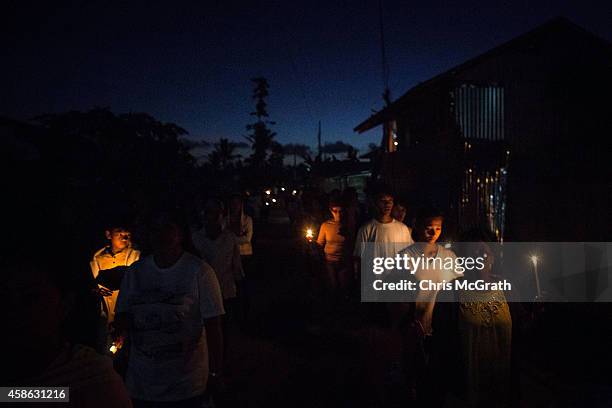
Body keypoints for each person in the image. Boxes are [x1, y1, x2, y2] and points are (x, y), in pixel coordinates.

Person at [115, 210, 225, 407]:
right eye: (155, 229)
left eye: (168, 228)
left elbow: (213, 326)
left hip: (186, 384)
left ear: (180, 234)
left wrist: (215, 372)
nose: (161, 235)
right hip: (142, 383)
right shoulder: (136, 272)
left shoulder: (199, 272)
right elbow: (124, 314)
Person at [1, 243, 132, 407]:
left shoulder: (90, 379)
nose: (13, 310)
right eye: (4, 297)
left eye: (30, 298)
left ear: (64, 305)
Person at [456, 229, 512, 407]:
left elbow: (523, 330)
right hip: (469, 386)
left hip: (501, 384)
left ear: (493, 257)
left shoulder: (507, 289)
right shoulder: (452, 292)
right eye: (472, 253)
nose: (479, 257)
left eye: (483, 252)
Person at [90, 223, 140, 352]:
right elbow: (92, 283)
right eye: (120, 233)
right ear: (109, 235)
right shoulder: (97, 257)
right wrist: (95, 290)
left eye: (127, 235)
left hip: (127, 312)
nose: (124, 237)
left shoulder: (135, 256)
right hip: (105, 312)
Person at [316, 198, 353, 304]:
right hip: (330, 261)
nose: (338, 214)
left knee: (343, 287)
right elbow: (320, 243)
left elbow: (354, 244)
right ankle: (333, 307)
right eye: (335, 211)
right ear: (331, 211)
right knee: (333, 286)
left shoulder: (348, 225)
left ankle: (343, 308)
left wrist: (348, 235)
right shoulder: (326, 225)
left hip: (343, 261)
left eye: (340, 211)